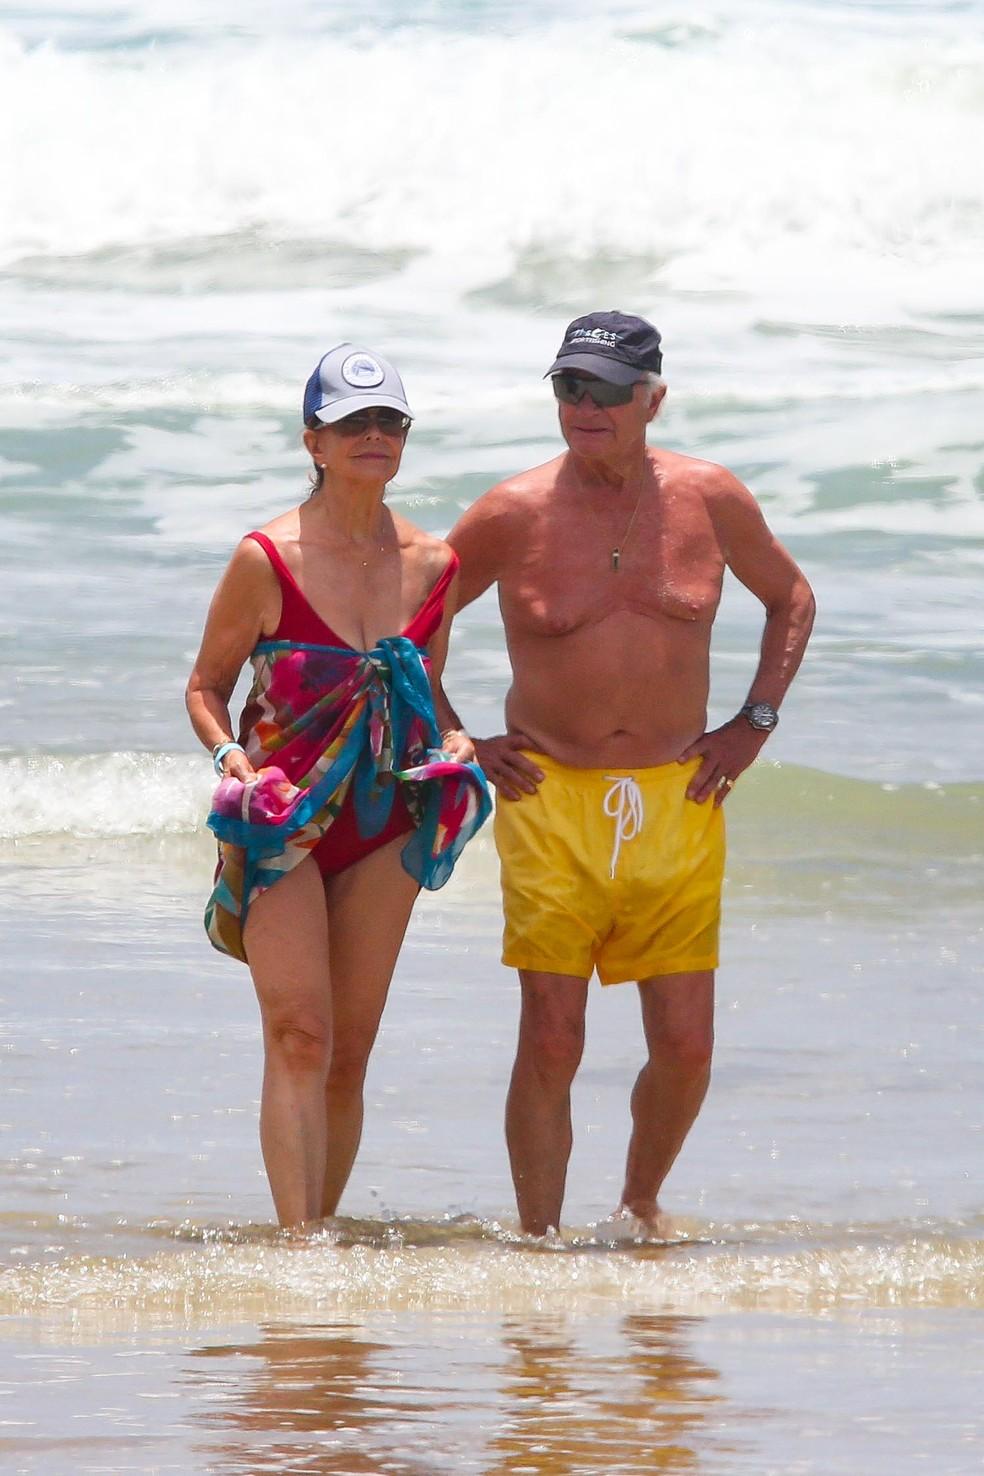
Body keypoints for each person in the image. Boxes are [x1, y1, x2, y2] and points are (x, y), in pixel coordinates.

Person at [437, 311, 815, 1237]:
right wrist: (459, 737)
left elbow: (791, 596)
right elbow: (413, 623)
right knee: (553, 1037)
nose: (586, 407)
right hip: (547, 798)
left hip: (680, 796)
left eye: (607, 390)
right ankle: (538, 1242)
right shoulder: (511, 510)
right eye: (570, 387)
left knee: (685, 1046)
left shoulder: (708, 496)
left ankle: (639, 1208)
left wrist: (753, 723)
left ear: (654, 398)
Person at [186, 343, 491, 1229]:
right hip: (283, 815)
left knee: (349, 1051)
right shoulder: (264, 557)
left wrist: (463, 739)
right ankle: (297, 1249)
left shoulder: (436, 564)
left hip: (387, 816)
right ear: (312, 440)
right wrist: (225, 757)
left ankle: (318, 1236)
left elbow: (428, 695)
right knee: (300, 1035)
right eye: (352, 421)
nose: (373, 434)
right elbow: (206, 686)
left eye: (388, 420)